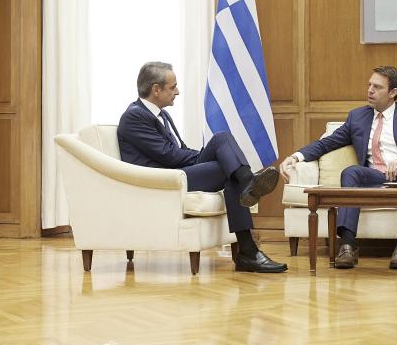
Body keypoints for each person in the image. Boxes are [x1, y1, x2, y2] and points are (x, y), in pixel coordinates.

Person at [118, 62, 286, 273]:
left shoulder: (161, 114)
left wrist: (201, 156)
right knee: (224, 158)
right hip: (162, 181)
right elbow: (168, 155)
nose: (177, 92)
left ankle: (248, 242)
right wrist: (201, 156)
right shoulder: (134, 116)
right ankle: (248, 246)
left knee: (225, 152)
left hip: (175, 174)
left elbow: (179, 150)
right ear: (156, 89)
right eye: (173, 87)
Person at [280, 66, 397, 270]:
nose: (370, 90)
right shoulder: (358, 117)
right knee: (351, 171)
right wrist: (295, 157)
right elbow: (327, 143)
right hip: (377, 176)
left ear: (393, 92)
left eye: (377, 87)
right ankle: (347, 245)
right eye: (369, 85)